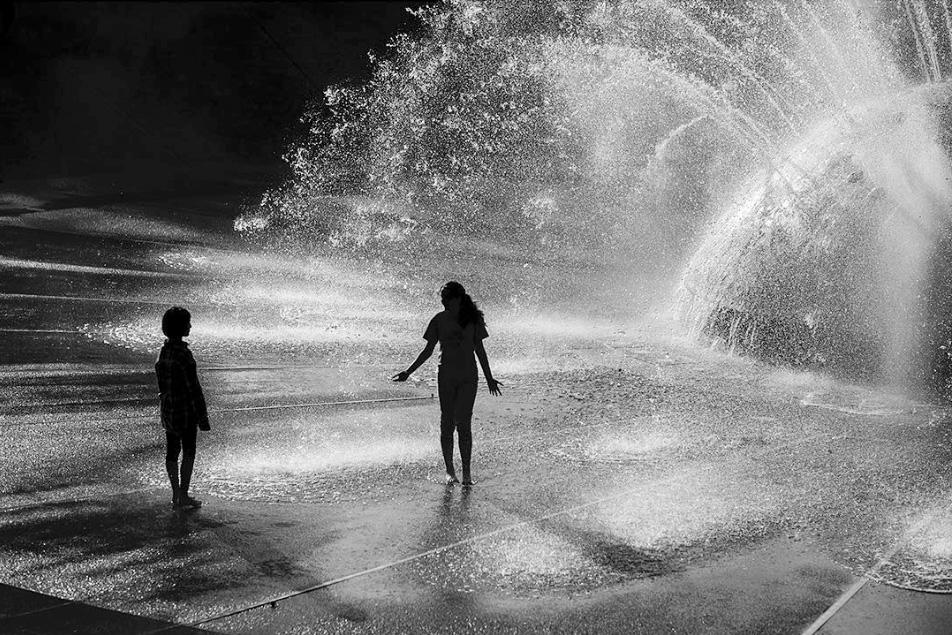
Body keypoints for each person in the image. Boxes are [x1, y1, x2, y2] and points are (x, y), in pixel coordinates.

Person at [393, 281, 502, 486]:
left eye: (447, 299)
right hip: (446, 377)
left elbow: (480, 350)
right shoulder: (439, 320)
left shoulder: (473, 320)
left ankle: (467, 473)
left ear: (458, 299)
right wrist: (408, 371)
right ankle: (450, 471)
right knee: (447, 424)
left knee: (464, 425)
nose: (444, 302)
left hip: (468, 377)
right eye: (443, 299)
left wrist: (489, 378)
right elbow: (428, 351)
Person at [155, 306, 210, 509]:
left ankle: (175, 493)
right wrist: (202, 416)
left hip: (169, 410)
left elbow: (162, 384)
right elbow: (193, 387)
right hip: (186, 411)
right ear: (181, 327)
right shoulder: (183, 355)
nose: (191, 325)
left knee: (171, 451)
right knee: (189, 451)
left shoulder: (163, 352)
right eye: (188, 322)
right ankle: (184, 494)